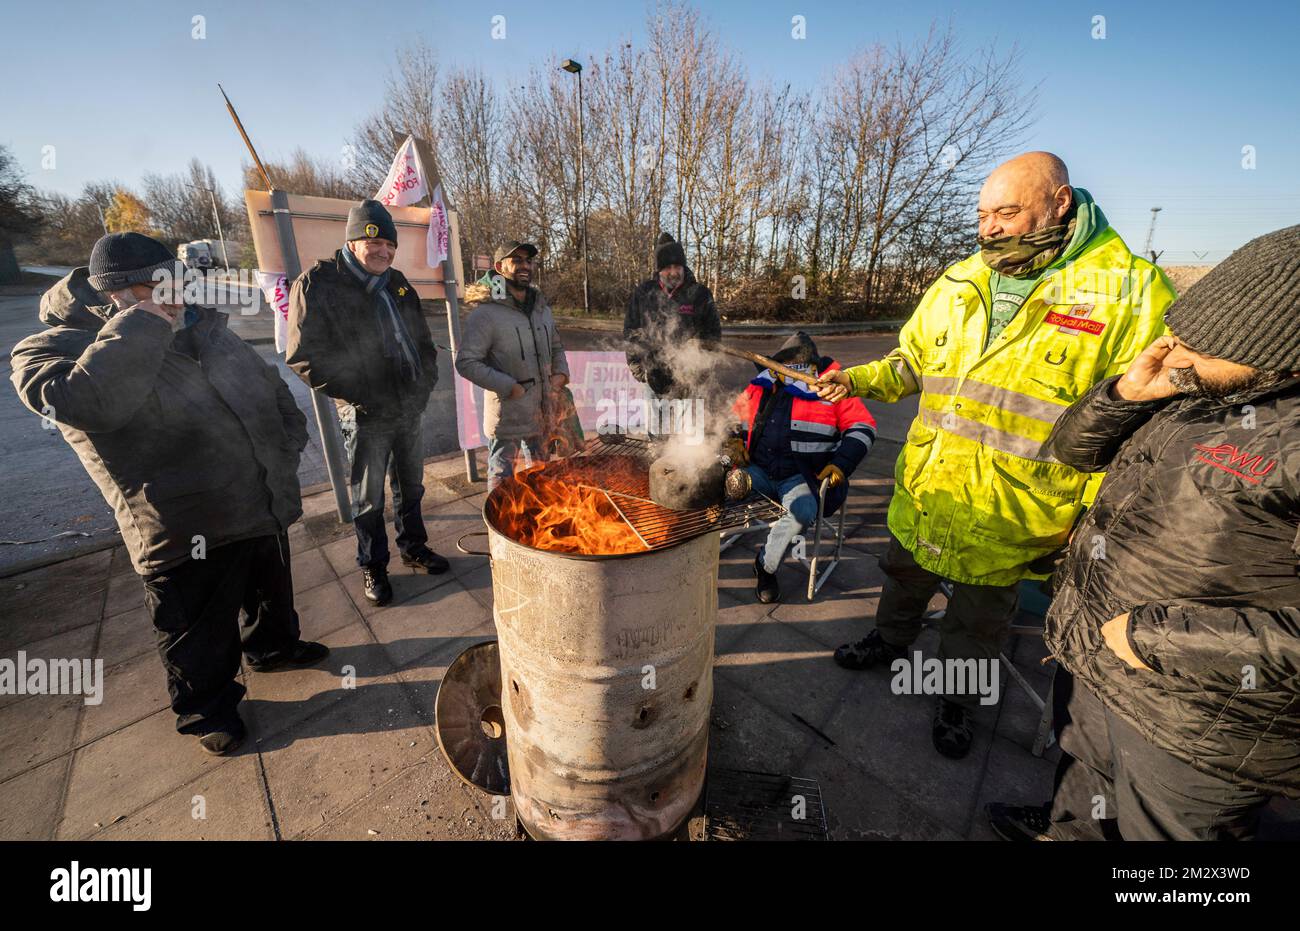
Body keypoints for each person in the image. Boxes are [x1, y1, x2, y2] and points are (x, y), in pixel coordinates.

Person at [815, 151, 1175, 759]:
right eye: (983, 214)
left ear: (1059, 203)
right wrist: (856, 381)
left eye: (1007, 212)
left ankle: (956, 697)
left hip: (1016, 508)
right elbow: (911, 364)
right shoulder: (959, 281)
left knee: (978, 619)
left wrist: (1091, 520)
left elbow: (1141, 431)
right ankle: (889, 639)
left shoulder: (1130, 293)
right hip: (932, 486)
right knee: (903, 577)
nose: (989, 228)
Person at [987, 225, 1300, 840]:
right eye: (1181, 336)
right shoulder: (1192, 389)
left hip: (1198, 722)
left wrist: (1155, 640)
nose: (1177, 354)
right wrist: (1126, 394)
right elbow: (1071, 450)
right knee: (1082, 798)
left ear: (1274, 350)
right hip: (1098, 664)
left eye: (1203, 346)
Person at [10, 232, 327, 755]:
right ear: (113, 293)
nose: (173, 297)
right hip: (179, 519)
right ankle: (209, 709)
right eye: (151, 289)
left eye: (172, 283)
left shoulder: (203, 324)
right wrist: (143, 320)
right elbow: (88, 402)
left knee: (269, 591)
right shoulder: (53, 347)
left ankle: (273, 648)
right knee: (195, 625)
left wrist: (288, 442)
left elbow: (267, 383)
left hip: (256, 494)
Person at [287, 199, 445, 607]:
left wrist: (425, 384)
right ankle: (372, 565)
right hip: (364, 412)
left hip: (409, 407)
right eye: (373, 242)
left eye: (389, 245)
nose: (383, 251)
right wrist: (362, 395)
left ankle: (413, 546)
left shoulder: (398, 283)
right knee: (369, 497)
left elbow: (423, 344)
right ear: (353, 242)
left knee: (410, 486)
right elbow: (304, 357)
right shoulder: (317, 284)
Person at [730, 332, 875, 603]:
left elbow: (862, 427)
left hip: (802, 478)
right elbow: (733, 417)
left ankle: (765, 566)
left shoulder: (833, 390)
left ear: (813, 368)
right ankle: (700, 556)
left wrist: (841, 464)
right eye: (788, 366)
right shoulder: (763, 385)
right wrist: (734, 441)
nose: (794, 372)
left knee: (802, 512)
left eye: (801, 367)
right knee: (715, 482)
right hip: (758, 471)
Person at [455, 240, 570, 489]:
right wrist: (509, 386)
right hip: (508, 415)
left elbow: (557, 347)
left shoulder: (541, 308)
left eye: (528, 261)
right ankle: (499, 527)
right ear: (499, 267)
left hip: (541, 413)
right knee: (501, 479)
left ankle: (539, 522)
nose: (524, 266)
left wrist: (560, 374)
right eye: (516, 260)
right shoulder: (486, 313)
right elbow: (466, 362)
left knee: (541, 478)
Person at [623, 232, 722, 402]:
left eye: (677, 266)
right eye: (667, 268)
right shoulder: (644, 293)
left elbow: (712, 335)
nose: (673, 272)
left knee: (689, 428)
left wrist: (701, 372)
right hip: (653, 377)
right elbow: (632, 331)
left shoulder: (700, 294)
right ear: (659, 270)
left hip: (691, 378)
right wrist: (639, 370)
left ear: (684, 267)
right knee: (657, 428)